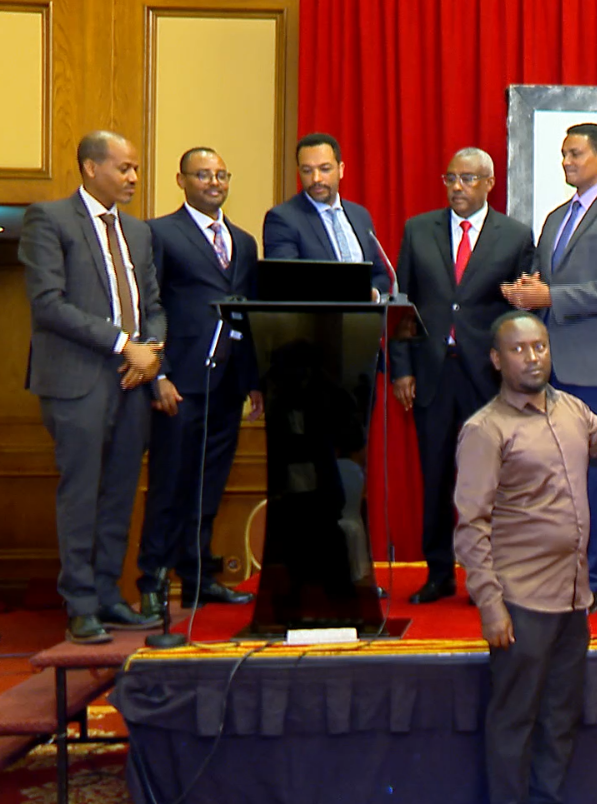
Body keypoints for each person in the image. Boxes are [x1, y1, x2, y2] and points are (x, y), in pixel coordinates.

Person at [453, 312, 597, 804]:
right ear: (497, 360)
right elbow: (471, 526)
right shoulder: (485, 430)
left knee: (560, 721)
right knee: (514, 722)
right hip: (521, 604)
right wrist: (490, 605)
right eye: (518, 349)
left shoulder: (572, 409)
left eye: (539, 346)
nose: (533, 357)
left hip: (574, 601)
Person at [21, 131, 166, 643]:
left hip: (134, 381)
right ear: (90, 167)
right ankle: (80, 605)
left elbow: (153, 304)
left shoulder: (138, 232)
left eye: (135, 169)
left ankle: (108, 596)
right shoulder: (49, 219)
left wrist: (151, 351)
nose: (133, 177)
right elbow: (48, 304)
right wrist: (125, 344)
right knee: (81, 494)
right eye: (124, 168)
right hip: (77, 380)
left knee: (120, 494)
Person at [503, 122, 597, 613]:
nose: (566, 162)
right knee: (550, 478)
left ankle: (592, 583)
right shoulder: (556, 217)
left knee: (591, 481)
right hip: (551, 371)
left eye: (575, 154)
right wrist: (528, 291)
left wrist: (551, 296)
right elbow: (547, 281)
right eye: (563, 154)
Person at [392, 147, 535, 604]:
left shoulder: (515, 236)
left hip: (486, 377)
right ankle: (438, 573)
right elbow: (402, 305)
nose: (457, 187)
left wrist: (515, 371)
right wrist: (402, 368)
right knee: (435, 477)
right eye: (451, 178)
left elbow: (521, 312)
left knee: (487, 482)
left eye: (468, 179)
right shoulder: (418, 230)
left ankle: (486, 576)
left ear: (489, 183)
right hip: (432, 373)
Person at [136, 147, 259, 618]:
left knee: (209, 487)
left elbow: (247, 315)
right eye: (203, 175)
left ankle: (198, 579)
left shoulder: (244, 241)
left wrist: (253, 380)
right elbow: (149, 307)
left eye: (221, 175)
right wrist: (159, 374)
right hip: (179, 384)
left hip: (228, 385)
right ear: (181, 180)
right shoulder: (159, 233)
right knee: (169, 486)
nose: (214, 183)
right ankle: (152, 581)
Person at [262, 132, 390, 298]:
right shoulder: (283, 219)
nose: (316, 179)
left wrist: (373, 293)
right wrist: (350, 295)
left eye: (325, 169)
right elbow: (285, 282)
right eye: (307, 171)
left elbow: (380, 274)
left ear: (341, 170)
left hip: (364, 314)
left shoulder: (360, 215)